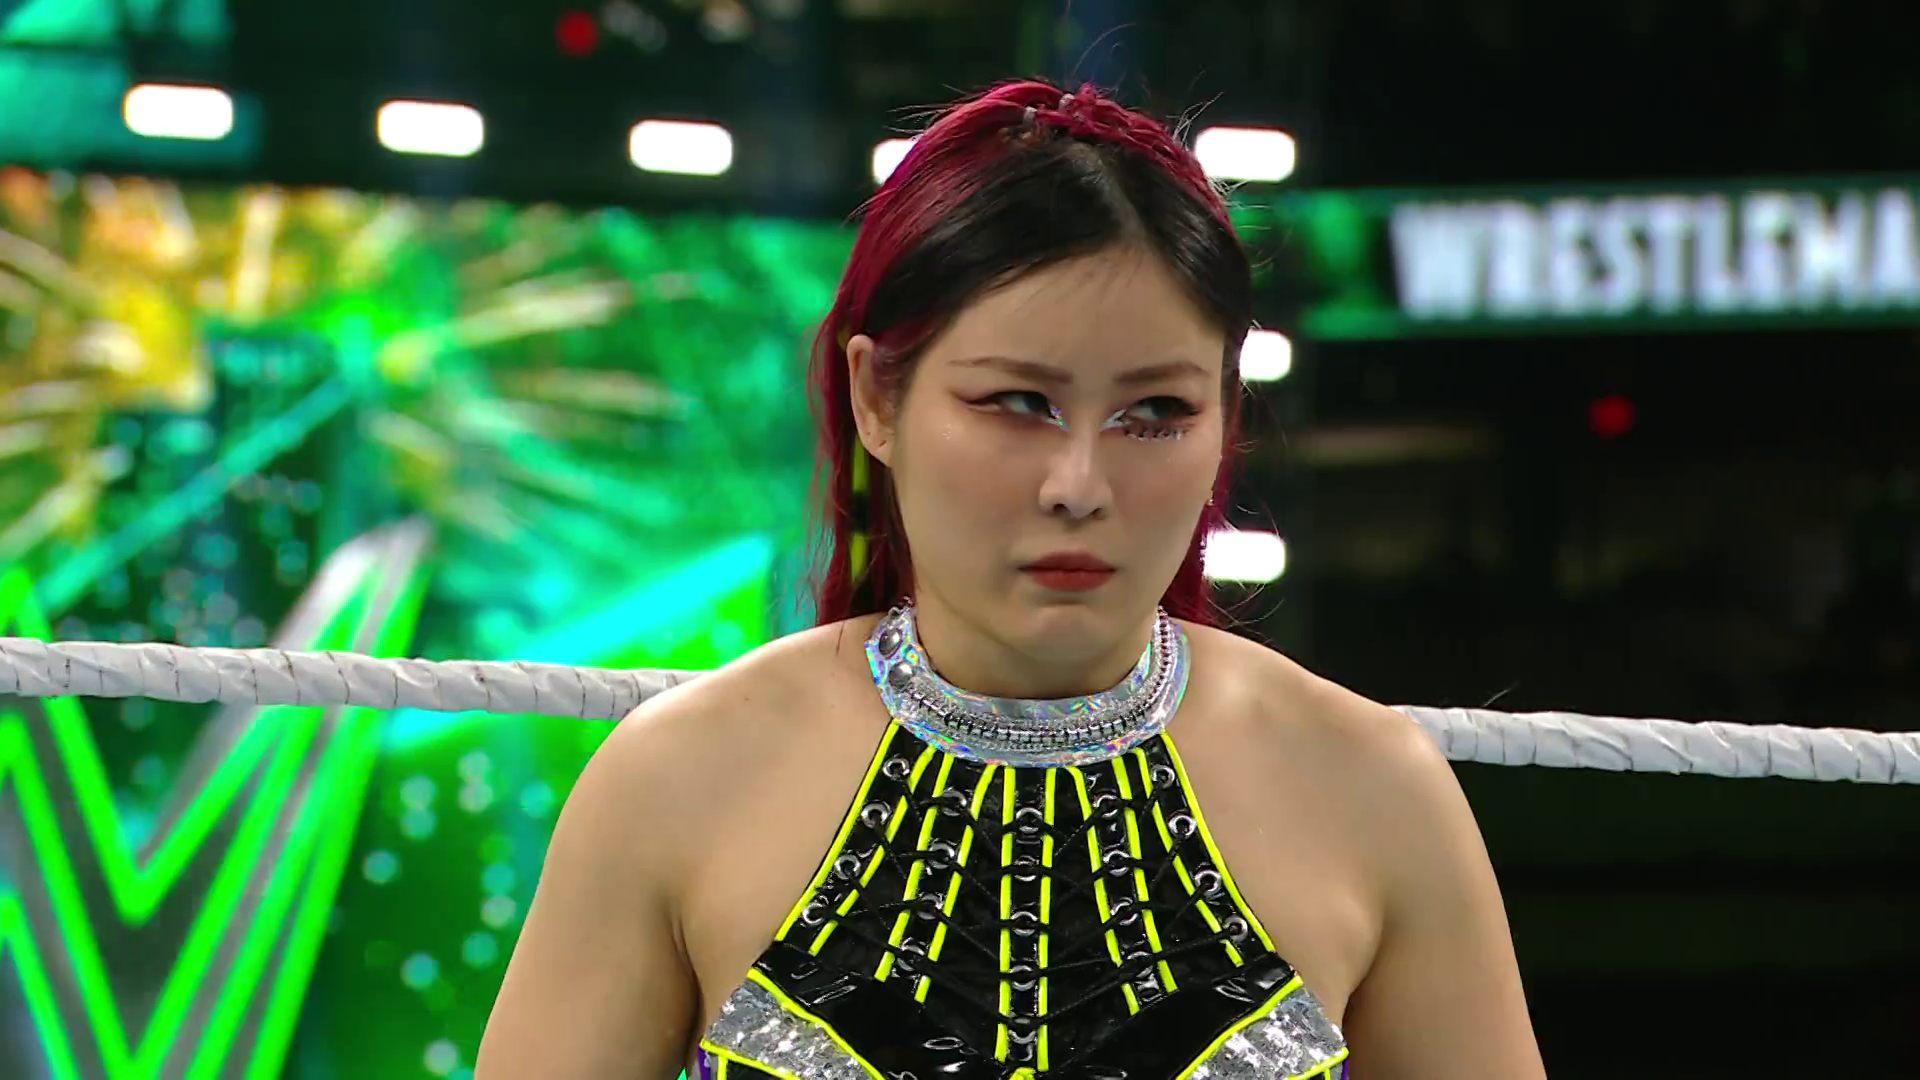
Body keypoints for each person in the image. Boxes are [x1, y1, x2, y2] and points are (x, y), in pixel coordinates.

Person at [476, 80, 1546, 1080]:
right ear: (876, 398)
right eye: (1017, 403)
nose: (1079, 485)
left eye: (1155, 414)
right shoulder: (674, 783)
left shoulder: (1374, 793)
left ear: (1226, 417)